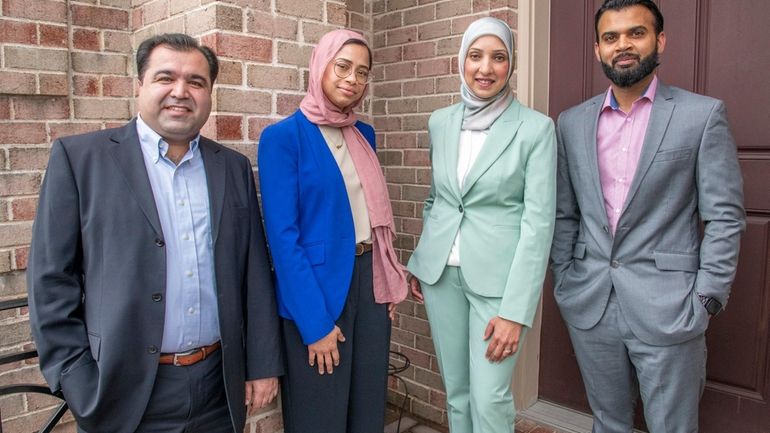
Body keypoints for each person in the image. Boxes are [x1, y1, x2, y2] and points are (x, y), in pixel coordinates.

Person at [27, 33, 283, 433]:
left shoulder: (231, 167)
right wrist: (75, 378)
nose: (181, 91)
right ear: (140, 85)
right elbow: (50, 281)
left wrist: (263, 364)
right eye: (166, 78)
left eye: (196, 82)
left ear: (209, 93)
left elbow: (253, 270)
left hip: (218, 386)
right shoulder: (80, 160)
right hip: (123, 392)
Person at [550, 1, 745, 431]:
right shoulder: (570, 123)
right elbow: (565, 214)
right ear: (597, 49)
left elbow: (725, 216)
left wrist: (707, 296)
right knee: (608, 422)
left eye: (635, 33)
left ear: (659, 40)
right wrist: (564, 278)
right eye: (611, 37)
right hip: (590, 302)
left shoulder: (701, 116)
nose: (623, 45)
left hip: (671, 307)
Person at [407, 17, 556, 433]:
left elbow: (538, 224)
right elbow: (437, 198)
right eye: (475, 56)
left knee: (490, 398)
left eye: (498, 57)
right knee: (457, 394)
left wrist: (516, 311)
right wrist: (423, 259)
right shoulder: (440, 121)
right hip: (441, 277)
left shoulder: (536, 129)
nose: (485, 68)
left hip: (499, 285)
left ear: (511, 65)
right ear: (462, 60)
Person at [257, 29, 406, 433]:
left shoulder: (364, 134)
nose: (352, 79)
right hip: (317, 292)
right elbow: (283, 241)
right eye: (343, 67)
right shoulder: (283, 139)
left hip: (369, 283)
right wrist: (314, 324)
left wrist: (387, 276)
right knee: (318, 413)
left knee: (368, 406)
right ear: (321, 66)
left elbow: (372, 218)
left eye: (362, 72)